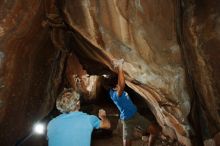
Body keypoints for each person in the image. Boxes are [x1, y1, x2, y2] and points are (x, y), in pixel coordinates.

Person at [108, 59, 161, 146]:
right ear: (114, 88)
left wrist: (116, 68)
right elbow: (121, 84)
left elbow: (119, 83)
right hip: (127, 120)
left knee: (154, 131)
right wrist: (120, 67)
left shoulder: (113, 89)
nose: (120, 86)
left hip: (136, 115)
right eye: (118, 85)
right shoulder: (115, 95)